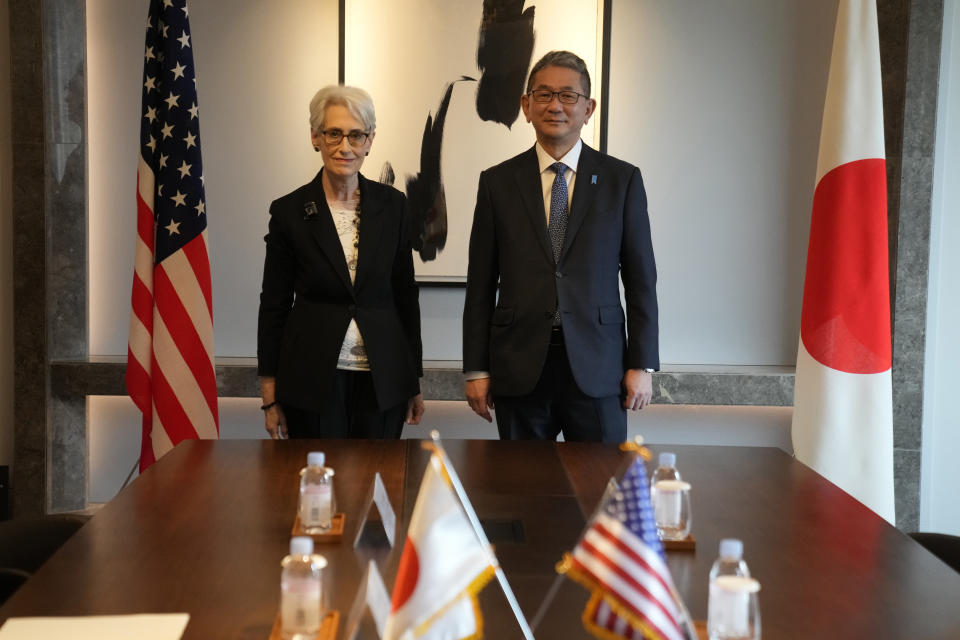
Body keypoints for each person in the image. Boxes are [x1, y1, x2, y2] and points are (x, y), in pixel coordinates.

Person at [462, 50, 659, 443]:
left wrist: (642, 364)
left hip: (600, 367)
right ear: (526, 106)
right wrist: (476, 369)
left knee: (601, 492)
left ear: (589, 108)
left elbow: (641, 282)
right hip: (519, 366)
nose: (556, 105)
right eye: (544, 94)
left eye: (568, 96)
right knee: (524, 494)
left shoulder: (622, 181)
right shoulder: (497, 183)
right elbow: (480, 284)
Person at [257, 85, 424, 439]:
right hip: (312, 379)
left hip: (384, 379)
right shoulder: (288, 211)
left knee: (377, 485)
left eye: (355, 135)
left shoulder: (394, 206)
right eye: (334, 134)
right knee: (319, 485)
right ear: (315, 137)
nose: (345, 147)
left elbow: (405, 296)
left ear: (370, 140)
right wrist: (270, 396)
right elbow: (273, 305)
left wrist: (413, 379)